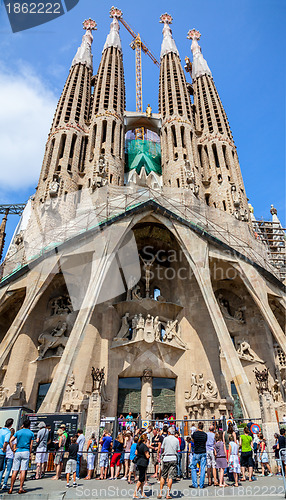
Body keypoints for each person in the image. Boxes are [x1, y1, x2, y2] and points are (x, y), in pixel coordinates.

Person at [9, 418, 34, 495]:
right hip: (25, 451)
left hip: (18, 451)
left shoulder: (18, 432)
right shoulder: (31, 433)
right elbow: (31, 445)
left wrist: (13, 448)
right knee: (23, 470)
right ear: (29, 425)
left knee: (15, 470)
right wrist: (30, 453)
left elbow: (11, 440)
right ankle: (20, 488)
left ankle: (11, 488)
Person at [158, 427, 180, 499]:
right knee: (170, 477)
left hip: (166, 457)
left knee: (163, 476)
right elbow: (178, 450)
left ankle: (160, 493)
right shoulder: (176, 440)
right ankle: (168, 493)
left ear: (169, 432)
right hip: (173, 457)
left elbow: (162, 448)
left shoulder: (165, 439)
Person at [189, 421, 207, 489]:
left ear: (198, 427)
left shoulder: (195, 434)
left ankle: (195, 483)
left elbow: (193, 441)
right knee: (202, 468)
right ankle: (201, 484)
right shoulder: (205, 434)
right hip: (203, 451)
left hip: (196, 452)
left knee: (193, 467)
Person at [133, 434, 149, 499]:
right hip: (143, 462)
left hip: (139, 462)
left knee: (141, 479)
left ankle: (142, 493)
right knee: (141, 479)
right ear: (145, 439)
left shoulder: (138, 445)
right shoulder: (144, 446)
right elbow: (147, 456)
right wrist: (148, 455)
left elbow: (136, 453)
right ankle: (135, 493)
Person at [0, 427, 15, 491]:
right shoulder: (13, 440)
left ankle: (0, 482)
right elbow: (13, 448)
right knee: (8, 470)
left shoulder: (5, 438)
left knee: (2, 470)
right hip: (10, 456)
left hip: (4, 455)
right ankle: (5, 484)